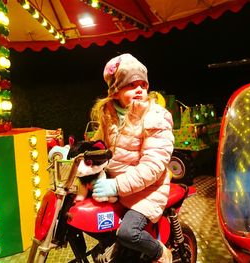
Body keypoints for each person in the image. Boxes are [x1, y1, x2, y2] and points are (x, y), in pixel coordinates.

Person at [90, 53, 174, 263]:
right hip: (121, 188)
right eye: (130, 85)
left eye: (142, 85)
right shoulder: (109, 115)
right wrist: (74, 153)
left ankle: (160, 252)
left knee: (128, 233)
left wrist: (115, 186)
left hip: (147, 191)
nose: (139, 89)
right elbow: (98, 145)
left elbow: (153, 165)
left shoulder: (155, 117)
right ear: (116, 92)